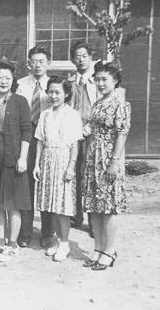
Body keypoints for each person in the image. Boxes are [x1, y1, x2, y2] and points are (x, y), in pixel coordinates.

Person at [0, 61, 32, 262]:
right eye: (0, 77)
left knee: (13, 203)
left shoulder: (19, 101)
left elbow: (27, 130)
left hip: (13, 156)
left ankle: (13, 245)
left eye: (8, 78)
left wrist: (22, 157)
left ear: (13, 81)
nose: (4, 81)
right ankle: (0, 243)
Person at [83, 61, 131, 271]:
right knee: (94, 206)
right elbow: (92, 128)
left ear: (115, 81)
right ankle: (98, 247)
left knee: (109, 207)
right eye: (98, 79)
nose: (100, 83)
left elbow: (122, 133)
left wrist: (114, 162)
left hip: (109, 158)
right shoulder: (98, 103)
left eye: (105, 79)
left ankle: (109, 251)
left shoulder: (120, 104)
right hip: (93, 157)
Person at [33, 76, 83, 262]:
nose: (53, 96)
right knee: (51, 205)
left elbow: (75, 145)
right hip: (47, 159)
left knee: (63, 205)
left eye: (58, 92)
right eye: (51, 92)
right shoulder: (45, 114)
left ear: (66, 94)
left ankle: (65, 243)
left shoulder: (72, 114)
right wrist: (37, 164)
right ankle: (56, 240)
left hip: (63, 161)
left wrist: (71, 167)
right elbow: (39, 141)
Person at [16, 45, 54, 248]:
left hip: (48, 138)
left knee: (47, 186)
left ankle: (48, 233)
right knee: (26, 185)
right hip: (27, 136)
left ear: (49, 63)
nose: (37, 65)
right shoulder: (20, 84)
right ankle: (25, 231)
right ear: (28, 63)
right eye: (33, 61)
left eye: (41, 61)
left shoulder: (55, 84)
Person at [68, 41, 99, 235]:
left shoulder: (97, 81)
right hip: (73, 134)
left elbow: (99, 106)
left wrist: (89, 127)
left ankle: (93, 222)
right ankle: (75, 215)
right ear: (73, 59)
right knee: (74, 174)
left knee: (90, 175)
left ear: (90, 58)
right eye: (77, 56)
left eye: (84, 56)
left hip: (91, 133)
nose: (80, 60)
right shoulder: (70, 81)